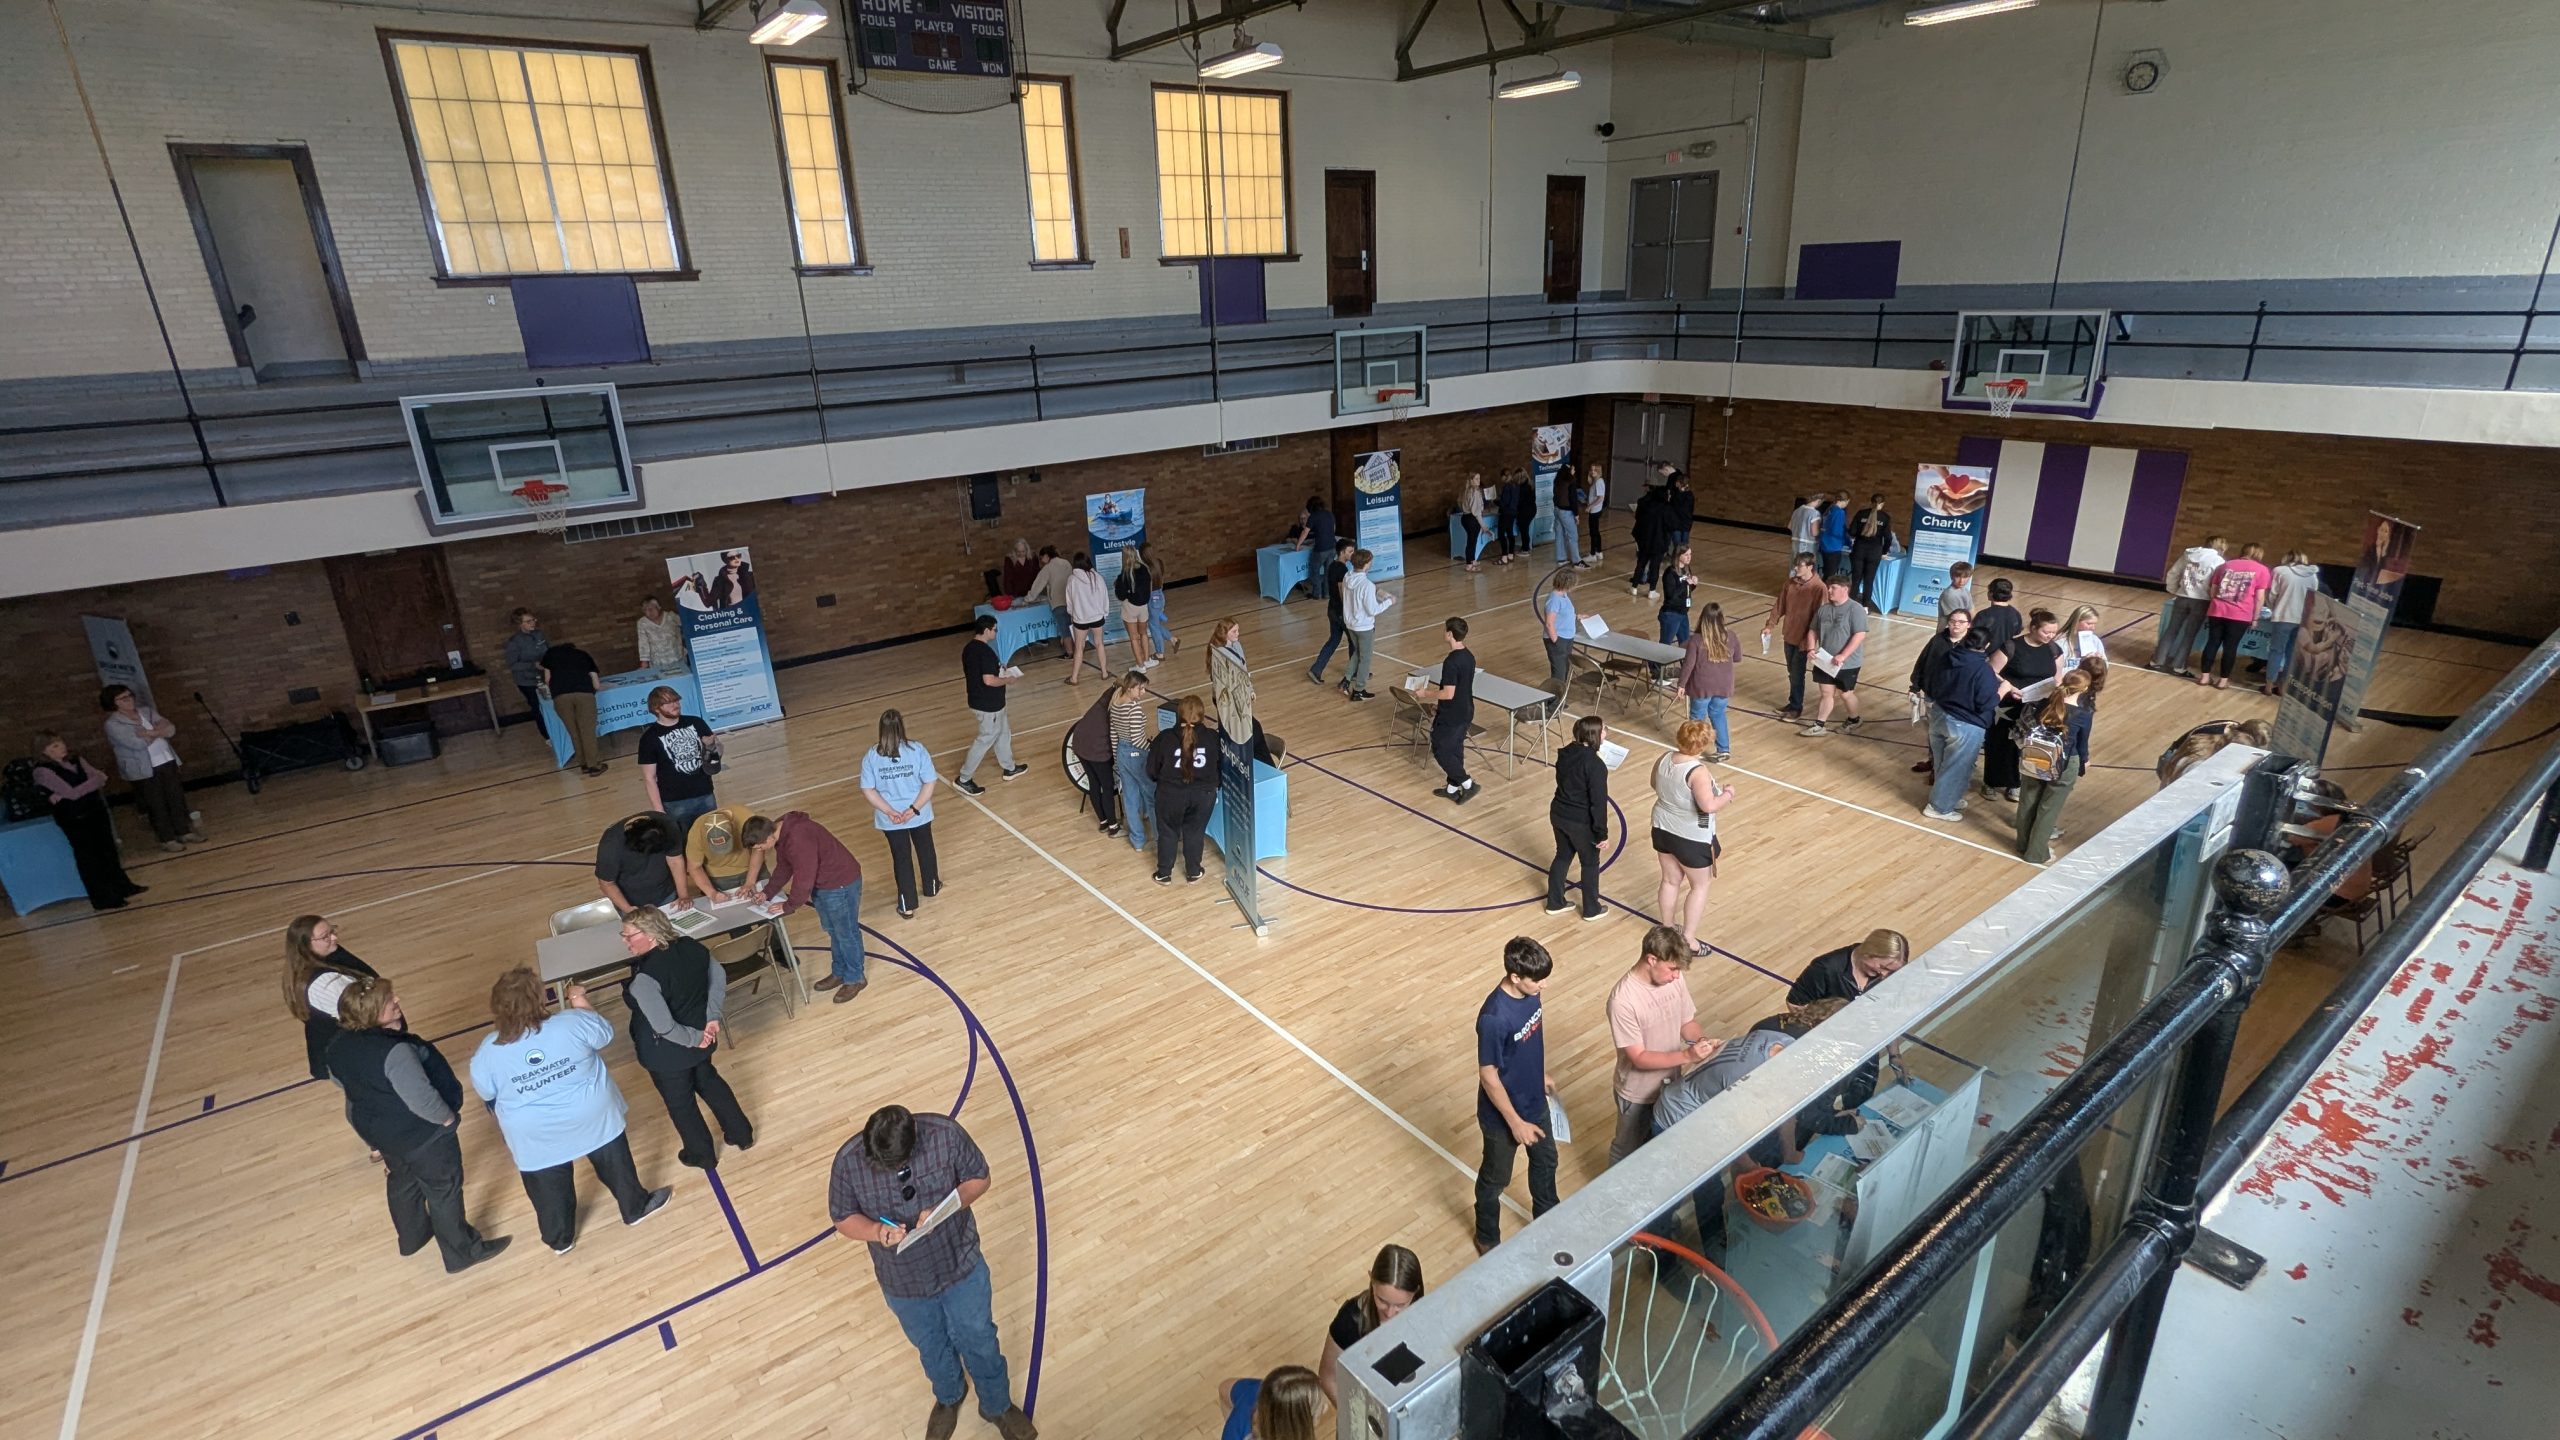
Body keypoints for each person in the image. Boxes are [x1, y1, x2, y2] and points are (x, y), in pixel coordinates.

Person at [828, 1106, 1038, 1440]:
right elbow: (842, 1217)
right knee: (931, 1346)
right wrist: (875, 1232)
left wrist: (946, 1206)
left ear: (915, 1141)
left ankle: (996, 1405)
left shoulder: (946, 1134)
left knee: (980, 1338)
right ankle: (949, 1396)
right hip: (903, 1281)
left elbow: (979, 1178)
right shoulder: (848, 1162)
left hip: (960, 1264)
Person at [470, 968, 671, 1254]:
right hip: (593, 1117)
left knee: (548, 1190)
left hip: (535, 1136)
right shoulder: (572, 1023)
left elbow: (486, 1093)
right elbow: (604, 1034)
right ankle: (635, 1208)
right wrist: (579, 1000)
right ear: (539, 998)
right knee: (616, 1165)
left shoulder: (487, 1051)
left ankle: (560, 1239)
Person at [325, 975, 511, 1273]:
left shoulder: (337, 1045)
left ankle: (412, 1237)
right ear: (373, 1014)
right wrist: (447, 1120)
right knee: (443, 1191)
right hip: (423, 1135)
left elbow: (340, 1080)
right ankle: (462, 1253)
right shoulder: (395, 1052)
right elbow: (422, 1099)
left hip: (380, 1131)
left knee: (402, 1180)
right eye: (389, 1000)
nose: (397, 1000)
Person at [617, 907, 754, 1167]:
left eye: (629, 936)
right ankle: (741, 1134)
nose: (625, 942)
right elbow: (718, 977)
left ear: (651, 935)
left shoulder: (645, 979)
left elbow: (664, 1027)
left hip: (668, 1054)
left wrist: (694, 1039)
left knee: (681, 1104)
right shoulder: (692, 946)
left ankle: (702, 1155)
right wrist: (712, 1018)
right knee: (709, 1081)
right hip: (704, 1036)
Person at [1474, 936, 1560, 1254]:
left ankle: (1548, 1222)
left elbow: (1524, 1044)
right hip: (1502, 1117)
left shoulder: (1531, 992)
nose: (1543, 985)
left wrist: (1537, 1074)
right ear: (1514, 977)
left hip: (1534, 1099)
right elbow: (1489, 1076)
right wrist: (1515, 1123)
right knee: (1496, 1180)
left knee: (1546, 1161)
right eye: (1537, 980)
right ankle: (1486, 1235)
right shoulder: (1494, 1018)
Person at [1608, 924, 1721, 1164]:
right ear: (1651, 959)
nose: (1676, 976)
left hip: (1671, 1083)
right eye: (1672, 969)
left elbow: (1686, 1022)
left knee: (1659, 1146)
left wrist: (1701, 1043)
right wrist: (1688, 1056)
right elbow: (1639, 1057)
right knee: (1626, 1152)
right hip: (1637, 1093)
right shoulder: (1623, 1001)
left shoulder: (1674, 980)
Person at [743, 811, 866, 1003]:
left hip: (839, 884)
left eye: (760, 846)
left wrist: (789, 905)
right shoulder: (780, 834)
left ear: (769, 837)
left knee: (846, 933)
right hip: (825, 885)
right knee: (834, 931)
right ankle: (840, 972)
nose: (760, 850)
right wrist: (767, 893)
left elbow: (804, 878)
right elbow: (784, 867)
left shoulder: (798, 838)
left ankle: (855, 978)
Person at [30, 731, 143, 909]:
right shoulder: (42, 771)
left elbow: (100, 777)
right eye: (55, 746)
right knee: (89, 856)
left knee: (108, 850)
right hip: (74, 818)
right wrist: (92, 782)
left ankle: (122, 886)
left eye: (61, 742)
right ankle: (103, 898)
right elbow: (72, 793)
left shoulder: (76, 759)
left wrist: (90, 782)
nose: (62, 747)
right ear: (44, 751)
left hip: (95, 810)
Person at [1651, 721, 1732, 956]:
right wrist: (1728, 794)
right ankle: (1689, 939)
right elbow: (1708, 806)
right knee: (1700, 885)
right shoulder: (1698, 772)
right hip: (1691, 836)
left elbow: (1654, 784)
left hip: (1662, 826)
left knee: (1670, 880)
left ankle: (1667, 929)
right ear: (1703, 745)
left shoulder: (1664, 758)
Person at [1316, 1245, 1425, 1403]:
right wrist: (1353, 1415)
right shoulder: (1349, 1321)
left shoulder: (1422, 1310)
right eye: (1382, 1300)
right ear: (1371, 1281)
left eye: (1400, 1305)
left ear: (1415, 1293)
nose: (1389, 1313)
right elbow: (1328, 1378)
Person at [99, 684, 201, 851]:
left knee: (176, 798)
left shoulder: (146, 711)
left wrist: (149, 733)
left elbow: (170, 729)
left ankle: (184, 831)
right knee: (156, 803)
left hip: (166, 759)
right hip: (143, 768)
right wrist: (157, 732)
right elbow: (136, 743)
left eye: (129, 695)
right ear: (113, 702)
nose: (129, 700)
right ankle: (167, 839)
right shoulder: (113, 724)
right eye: (123, 698)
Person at [861, 709, 942, 919]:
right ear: (902, 727)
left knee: (901, 858)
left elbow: (868, 789)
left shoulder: (871, 756)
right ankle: (932, 886)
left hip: (891, 820)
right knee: (925, 849)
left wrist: (889, 811)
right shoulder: (917, 749)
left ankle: (907, 904)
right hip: (919, 814)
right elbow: (930, 782)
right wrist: (914, 809)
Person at [2014, 669, 2095, 865]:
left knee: (2027, 801)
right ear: (2084, 689)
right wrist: (2085, 761)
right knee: (2049, 808)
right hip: (2065, 762)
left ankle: (2022, 844)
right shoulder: (2083, 714)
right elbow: (2082, 744)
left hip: (2037, 756)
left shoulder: (2045, 704)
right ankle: (2036, 853)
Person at [1984, 609, 2065, 804]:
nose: (2050, 636)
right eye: (2046, 632)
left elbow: (2057, 678)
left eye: (2053, 632)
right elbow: (1991, 670)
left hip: (2037, 707)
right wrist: (2009, 687)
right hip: (2008, 705)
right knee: (2000, 743)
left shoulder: (2054, 650)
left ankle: (2016, 783)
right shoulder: (2011, 646)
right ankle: (1991, 781)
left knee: (2026, 745)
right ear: (2033, 628)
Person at [283, 914, 376, 1080]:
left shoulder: (327, 957)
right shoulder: (326, 983)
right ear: (306, 945)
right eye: (325, 937)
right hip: (351, 1056)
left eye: (332, 931)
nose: (334, 938)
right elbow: (366, 1012)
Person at [1923, 629, 2002, 820]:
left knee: (1942, 763)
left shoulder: (1947, 656)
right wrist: (2003, 690)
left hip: (1939, 715)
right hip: (1965, 723)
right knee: (1957, 767)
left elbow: (1931, 682)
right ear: (1987, 645)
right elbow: (1985, 702)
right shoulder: (1982, 669)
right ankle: (1939, 807)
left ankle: (1950, 797)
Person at [1147, 694, 1221, 885]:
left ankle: (1164, 874)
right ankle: (1193, 871)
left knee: (1168, 832)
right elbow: (1219, 767)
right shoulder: (1212, 738)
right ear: (1202, 716)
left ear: (1178, 714)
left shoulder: (1164, 738)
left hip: (1170, 795)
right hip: (1204, 795)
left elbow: (1151, 770)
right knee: (1195, 832)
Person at [1543, 714, 1610, 919]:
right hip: (1580, 821)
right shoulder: (1595, 765)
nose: (1606, 732)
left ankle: (1555, 902)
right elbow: (1598, 803)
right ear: (1593, 735)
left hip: (1559, 813)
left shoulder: (1565, 753)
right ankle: (1591, 909)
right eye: (1603, 729)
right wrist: (1602, 834)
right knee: (1590, 863)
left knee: (1563, 855)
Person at [954, 615, 1029, 794]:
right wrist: (1008, 679)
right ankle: (964, 778)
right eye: (995, 629)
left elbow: (980, 672)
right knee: (986, 738)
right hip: (988, 705)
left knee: (1003, 733)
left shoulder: (969, 648)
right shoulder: (986, 652)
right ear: (987, 630)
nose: (996, 632)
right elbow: (988, 680)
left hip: (984, 701)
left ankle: (1009, 768)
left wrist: (998, 669)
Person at [636, 686, 720, 827]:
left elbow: (715, 761)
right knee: (683, 838)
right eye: (668, 702)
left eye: (676, 700)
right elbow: (649, 777)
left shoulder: (696, 722)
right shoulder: (649, 738)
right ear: (656, 708)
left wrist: (711, 747)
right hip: (674, 802)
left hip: (705, 794)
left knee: (713, 835)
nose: (675, 705)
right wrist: (658, 809)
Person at [1797, 574, 1868, 737]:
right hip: (1825, 660)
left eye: (1833, 588)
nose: (1829, 590)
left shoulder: (1855, 609)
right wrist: (1811, 649)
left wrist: (1843, 655)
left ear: (1845, 589)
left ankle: (1854, 719)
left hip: (1848, 663)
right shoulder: (1823, 609)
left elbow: (1859, 635)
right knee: (1826, 693)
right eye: (1829, 587)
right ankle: (1819, 724)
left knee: (1845, 694)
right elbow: (1813, 630)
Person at [2197, 542, 2274, 690]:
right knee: (2230, 647)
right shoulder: (2262, 570)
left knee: (2212, 643)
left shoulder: (2225, 566)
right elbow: (2259, 598)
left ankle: (2204, 677)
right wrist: (2255, 617)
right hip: (2240, 614)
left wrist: (2218, 602)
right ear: (2259, 554)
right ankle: (2223, 681)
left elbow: (2213, 590)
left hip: (2218, 610)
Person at [1760, 553, 1825, 721]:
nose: (1796, 568)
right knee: (1792, 671)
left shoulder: (1819, 588)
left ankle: (1796, 707)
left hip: (1804, 640)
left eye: (1799, 565)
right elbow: (1779, 606)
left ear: (1810, 567)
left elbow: (1819, 617)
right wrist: (1770, 625)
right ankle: (1792, 703)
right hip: (1789, 635)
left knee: (1797, 673)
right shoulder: (1790, 584)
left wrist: (1811, 642)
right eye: (1795, 565)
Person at [1424, 616, 1479, 804]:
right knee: (1455, 748)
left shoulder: (1451, 662)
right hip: (1466, 709)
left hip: (1452, 713)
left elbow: (1448, 693)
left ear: (1449, 634)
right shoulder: (1469, 656)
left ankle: (1468, 784)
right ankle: (1452, 788)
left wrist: (1426, 693)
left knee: (1441, 749)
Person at [2155, 535, 2229, 676]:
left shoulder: (2189, 554)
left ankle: (2157, 661)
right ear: (2221, 547)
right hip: (2201, 600)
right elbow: (2218, 583)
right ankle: (2178, 666)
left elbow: (2173, 573)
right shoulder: (2218, 561)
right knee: (2189, 634)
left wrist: (2174, 590)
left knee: (2171, 629)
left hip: (2182, 596)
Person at [540, 635, 607, 775]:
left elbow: (547, 679)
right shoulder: (583, 655)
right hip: (584, 695)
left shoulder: (550, 656)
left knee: (574, 732)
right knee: (587, 731)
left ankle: (583, 764)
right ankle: (594, 766)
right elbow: (596, 684)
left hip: (561, 697)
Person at [1676, 606, 1736, 762]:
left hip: (1701, 686)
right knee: (1718, 714)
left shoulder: (1696, 640)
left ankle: (1692, 748)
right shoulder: (1731, 636)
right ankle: (1723, 750)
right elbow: (1737, 658)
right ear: (1721, 619)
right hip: (1724, 685)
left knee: (1697, 718)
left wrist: (1681, 684)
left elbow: (1688, 665)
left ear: (1702, 620)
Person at [1789, 929, 1912, 1004]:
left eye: (1891, 971)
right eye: (1882, 967)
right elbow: (1796, 1004)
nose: (1884, 975)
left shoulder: (1890, 974)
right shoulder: (1825, 969)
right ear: (1868, 953)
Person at [1108, 670, 1158, 854]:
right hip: (1137, 754)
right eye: (1140, 689)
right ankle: (1159, 837)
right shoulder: (1134, 708)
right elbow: (1137, 739)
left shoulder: (1115, 703)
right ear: (1130, 688)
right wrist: (1150, 752)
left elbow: (1113, 734)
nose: (1143, 692)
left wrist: (1116, 758)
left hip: (1122, 752)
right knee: (1151, 796)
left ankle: (1137, 840)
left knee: (1129, 798)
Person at [596, 812, 685, 913]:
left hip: (666, 894)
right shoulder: (611, 845)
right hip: (631, 902)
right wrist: (629, 910)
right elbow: (607, 884)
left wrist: (683, 895)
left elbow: (675, 861)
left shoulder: (668, 826)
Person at [2263, 549, 2320, 694]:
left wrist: (2274, 608)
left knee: (2276, 651)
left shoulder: (2280, 571)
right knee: (2291, 654)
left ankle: (2269, 686)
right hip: (2302, 619)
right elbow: (2313, 599)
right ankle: (2283, 687)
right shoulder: (2313, 575)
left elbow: (2272, 594)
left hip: (2283, 616)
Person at [1340, 547, 1394, 702]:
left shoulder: (1347, 576)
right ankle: (1359, 690)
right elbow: (1372, 610)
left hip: (1350, 623)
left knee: (1358, 652)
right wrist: (1389, 602)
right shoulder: (1366, 585)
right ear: (1366, 564)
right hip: (1364, 627)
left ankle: (1346, 680)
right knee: (1365, 658)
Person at [1068, 687, 1121, 838]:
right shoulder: (1117, 708)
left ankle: (1103, 822)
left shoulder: (1105, 697)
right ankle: (1113, 827)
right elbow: (1116, 736)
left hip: (1079, 743)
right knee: (1107, 786)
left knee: (1094, 783)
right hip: (1096, 750)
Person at [1219, 1365, 1326, 1440]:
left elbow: (1224, 1388)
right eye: (1317, 1409)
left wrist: (1232, 1423)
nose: (1325, 1407)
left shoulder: (1260, 1392)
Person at [1306, 537, 1356, 688]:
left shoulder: (1332, 566)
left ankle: (1316, 669)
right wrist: (1349, 609)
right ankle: (1354, 671)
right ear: (1342, 552)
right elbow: (1342, 591)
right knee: (1354, 640)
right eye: (1350, 551)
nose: (1352, 554)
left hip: (1332, 609)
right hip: (1341, 611)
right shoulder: (1342, 570)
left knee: (1334, 640)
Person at [683, 802, 758, 900]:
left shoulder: (746, 817)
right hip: (721, 875)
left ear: (732, 827)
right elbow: (694, 867)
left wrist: (750, 881)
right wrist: (712, 893)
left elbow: (758, 849)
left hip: (754, 866)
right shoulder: (696, 831)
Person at [1063, 551, 1115, 683]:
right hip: (1097, 617)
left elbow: (1069, 601)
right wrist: (1104, 612)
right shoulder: (1097, 577)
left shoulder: (1072, 579)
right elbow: (1104, 597)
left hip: (1080, 619)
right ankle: (1104, 673)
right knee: (1099, 644)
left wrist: (1072, 614)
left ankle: (1074, 678)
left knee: (1079, 647)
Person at [501, 608, 552, 741]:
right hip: (527, 681)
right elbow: (513, 665)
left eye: (533, 620)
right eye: (528, 621)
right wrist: (532, 665)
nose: (532, 623)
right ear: (520, 624)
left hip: (545, 675)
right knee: (538, 707)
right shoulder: (514, 642)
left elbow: (549, 650)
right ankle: (547, 736)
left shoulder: (539, 634)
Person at [1017, 544, 1074, 661]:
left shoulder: (1048, 568)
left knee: (1065, 630)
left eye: (1041, 558)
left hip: (1058, 603)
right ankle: (1078, 651)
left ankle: (1070, 653)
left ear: (1047, 556)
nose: (1041, 561)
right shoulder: (1066, 563)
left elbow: (1037, 586)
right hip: (1072, 601)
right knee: (1073, 627)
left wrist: (1027, 599)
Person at [1114, 545, 1158, 670]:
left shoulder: (1124, 574)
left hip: (1130, 607)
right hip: (1143, 606)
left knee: (1134, 638)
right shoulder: (1144, 569)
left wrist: (1117, 585)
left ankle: (1140, 665)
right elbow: (1148, 587)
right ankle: (1147, 660)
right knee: (1143, 634)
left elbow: (1121, 596)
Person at [1849, 493, 1895, 612]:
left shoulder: (1861, 514)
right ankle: (1865, 607)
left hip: (1859, 549)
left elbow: (1852, 531)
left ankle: (1849, 605)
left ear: (1871, 502)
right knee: (1869, 580)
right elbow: (1888, 538)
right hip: (1874, 552)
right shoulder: (1885, 517)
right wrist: (1884, 552)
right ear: (1882, 504)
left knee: (1856, 579)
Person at [1542, 568, 1579, 705]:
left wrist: (1577, 617)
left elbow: (1564, 614)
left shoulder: (1563, 595)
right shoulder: (1554, 600)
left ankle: (1559, 700)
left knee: (1564, 671)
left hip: (1566, 638)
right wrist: (1556, 641)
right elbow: (1549, 623)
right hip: (1558, 640)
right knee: (1559, 673)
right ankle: (1553, 704)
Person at [1142, 543, 1178, 660]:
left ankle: (1160, 653)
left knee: (1153, 627)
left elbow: (1148, 587)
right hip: (1160, 595)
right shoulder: (1158, 562)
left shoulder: (1146, 568)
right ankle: (1173, 639)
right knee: (1156, 624)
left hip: (1152, 599)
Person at [1296, 496, 1337, 600]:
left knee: (1314, 570)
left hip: (1321, 549)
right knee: (1328, 572)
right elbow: (1333, 529)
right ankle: (1327, 594)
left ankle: (1316, 594)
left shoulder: (1313, 516)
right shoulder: (1329, 514)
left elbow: (1305, 532)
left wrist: (1298, 545)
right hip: (1332, 547)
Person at [1656, 543, 1695, 646]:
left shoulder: (1686, 569)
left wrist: (1693, 584)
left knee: (1685, 644)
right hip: (1671, 614)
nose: (1689, 557)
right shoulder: (1670, 573)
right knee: (1665, 644)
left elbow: (1686, 591)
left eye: (1690, 554)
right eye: (1686, 555)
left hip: (1683, 613)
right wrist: (1686, 583)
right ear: (1678, 555)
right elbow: (1672, 595)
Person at [1973, 577, 2024, 656]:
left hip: (1984, 656)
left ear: (1991, 593)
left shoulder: (1983, 615)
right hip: (2005, 655)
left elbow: (1973, 637)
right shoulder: (2016, 613)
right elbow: (2017, 631)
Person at [636, 597, 685, 672]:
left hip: (678, 658)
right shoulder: (642, 623)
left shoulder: (671, 616)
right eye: (645, 610)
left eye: (652, 608)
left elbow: (686, 627)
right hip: (657, 662)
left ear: (659, 607)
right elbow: (643, 643)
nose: (649, 612)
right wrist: (644, 662)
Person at [1497, 469, 1534, 563]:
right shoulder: (1516, 486)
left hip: (1506, 513)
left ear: (1504, 477)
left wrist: (1496, 501)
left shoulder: (1507, 487)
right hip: (1513, 513)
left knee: (1501, 534)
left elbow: (1505, 502)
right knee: (1510, 534)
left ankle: (1504, 557)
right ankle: (1510, 555)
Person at [2059, 603, 2108, 673]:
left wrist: (2099, 662)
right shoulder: (2061, 642)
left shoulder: (2095, 640)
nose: (2093, 628)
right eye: (2089, 624)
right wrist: (2083, 665)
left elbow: (2106, 665)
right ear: (2077, 621)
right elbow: (2056, 672)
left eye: (2094, 624)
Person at [1552, 464, 1584, 568]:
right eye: (1573, 469)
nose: (1574, 471)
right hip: (1566, 511)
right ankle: (1577, 561)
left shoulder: (1557, 480)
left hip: (1557, 509)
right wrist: (1576, 514)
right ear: (1569, 470)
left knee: (1559, 535)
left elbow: (1554, 496)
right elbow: (1573, 499)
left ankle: (1561, 558)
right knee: (1573, 536)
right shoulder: (1571, 481)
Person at [1458, 471, 1488, 572]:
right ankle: (1469, 564)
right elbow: (1476, 512)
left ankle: (1472, 560)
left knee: (1473, 540)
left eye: (1479, 478)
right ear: (1471, 480)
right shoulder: (1474, 492)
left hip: (1465, 518)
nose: (1479, 481)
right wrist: (1483, 525)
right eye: (1476, 479)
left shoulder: (1466, 490)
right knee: (1471, 541)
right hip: (1471, 519)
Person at [1818, 489, 1851, 579]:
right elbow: (1837, 531)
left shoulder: (1830, 509)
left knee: (1826, 572)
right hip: (1833, 546)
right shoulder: (1839, 512)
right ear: (1846, 500)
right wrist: (1847, 540)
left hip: (1825, 544)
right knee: (1830, 575)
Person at [1664, 465, 1696, 553]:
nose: (1675, 483)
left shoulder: (1687, 495)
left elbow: (1683, 509)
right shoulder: (1685, 494)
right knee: (1678, 544)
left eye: (1677, 481)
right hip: (1680, 523)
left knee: (1682, 544)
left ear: (1679, 483)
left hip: (1682, 522)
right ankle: (1677, 557)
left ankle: (1681, 557)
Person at [1582, 462, 1609, 561]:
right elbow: (1589, 482)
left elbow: (1600, 498)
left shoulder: (1598, 482)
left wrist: (1590, 506)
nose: (1592, 472)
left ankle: (1593, 554)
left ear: (1599, 471)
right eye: (1591, 470)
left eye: (1595, 470)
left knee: (1593, 533)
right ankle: (1599, 552)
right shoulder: (1596, 481)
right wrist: (1589, 475)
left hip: (1595, 511)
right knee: (1596, 532)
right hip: (1594, 510)